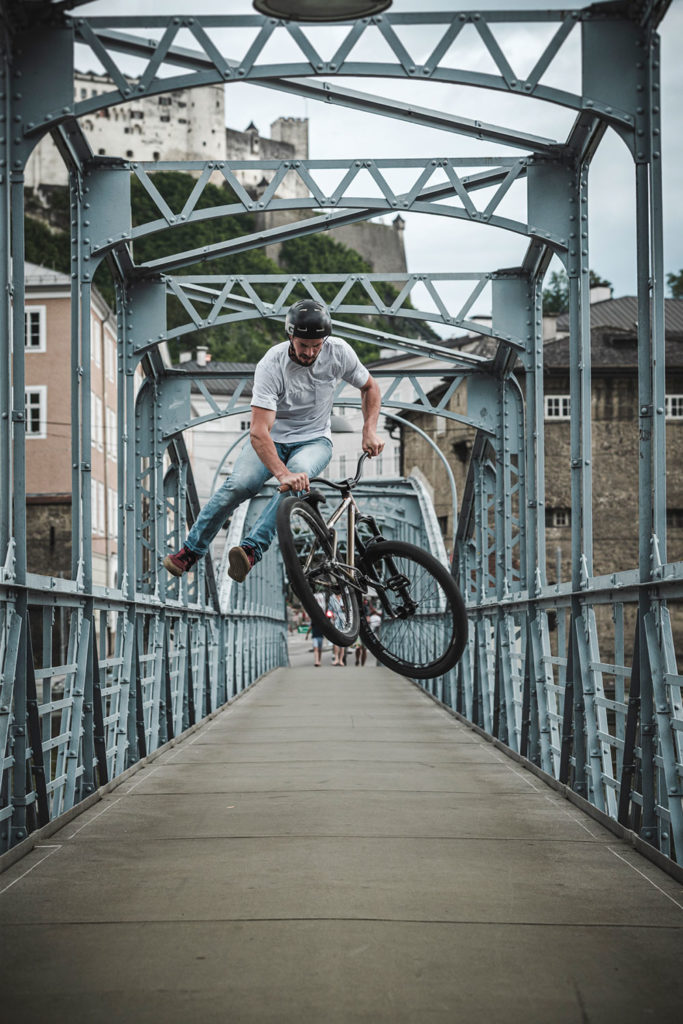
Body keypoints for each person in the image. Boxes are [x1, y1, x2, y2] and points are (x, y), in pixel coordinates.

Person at [163, 299, 384, 580]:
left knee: (299, 479)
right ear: (290, 336)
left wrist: (369, 429)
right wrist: (281, 472)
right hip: (271, 440)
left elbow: (370, 386)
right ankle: (190, 551)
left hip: (314, 440)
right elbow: (258, 431)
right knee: (239, 485)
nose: (311, 352)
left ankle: (250, 551)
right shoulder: (271, 364)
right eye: (304, 345)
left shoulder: (338, 352)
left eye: (317, 345)